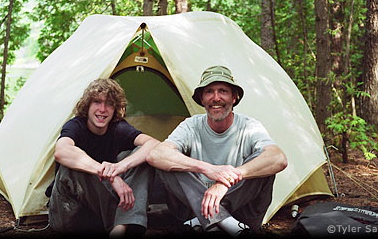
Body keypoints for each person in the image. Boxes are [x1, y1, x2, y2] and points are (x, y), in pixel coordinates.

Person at [146, 65, 288, 237]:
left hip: (242, 215)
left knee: (263, 160)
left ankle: (207, 219)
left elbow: (278, 158)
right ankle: (226, 222)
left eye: (223, 91)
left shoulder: (249, 126)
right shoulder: (191, 125)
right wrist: (207, 168)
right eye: (209, 92)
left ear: (234, 97)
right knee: (169, 160)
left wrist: (226, 180)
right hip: (202, 214)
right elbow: (156, 155)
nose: (216, 98)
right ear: (202, 99)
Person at [48, 78, 160, 236]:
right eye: (97, 102)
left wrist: (121, 166)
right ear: (87, 105)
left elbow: (154, 144)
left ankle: (120, 228)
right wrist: (111, 177)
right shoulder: (75, 126)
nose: (102, 109)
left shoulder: (117, 128)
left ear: (115, 108)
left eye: (109, 104)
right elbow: (61, 151)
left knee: (144, 156)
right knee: (73, 164)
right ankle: (126, 221)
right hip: (69, 213)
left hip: (101, 212)